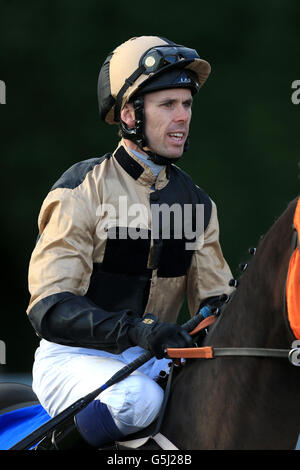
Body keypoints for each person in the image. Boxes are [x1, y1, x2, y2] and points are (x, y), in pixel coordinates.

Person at [27, 35, 233, 449]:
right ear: (129, 114)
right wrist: (139, 330)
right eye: (167, 105)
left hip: (152, 362)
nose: (182, 117)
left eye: (186, 104)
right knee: (137, 401)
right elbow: (49, 307)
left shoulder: (199, 205)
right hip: (73, 357)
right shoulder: (80, 191)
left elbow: (217, 307)